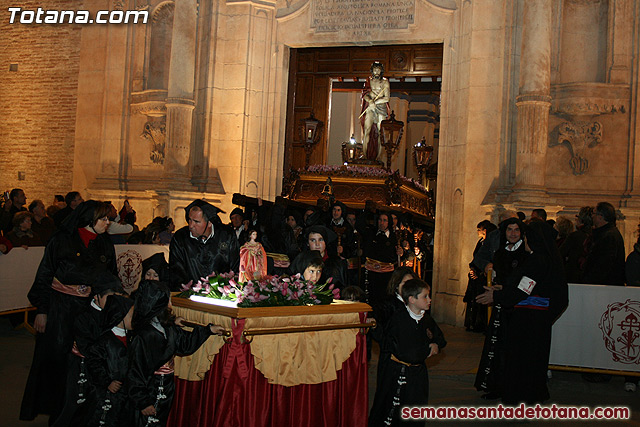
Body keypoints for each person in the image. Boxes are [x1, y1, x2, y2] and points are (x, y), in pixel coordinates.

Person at [20, 200, 117, 424]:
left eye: (108, 218)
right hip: (59, 310)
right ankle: (57, 410)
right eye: (103, 218)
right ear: (89, 219)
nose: (108, 223)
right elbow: (45, 275)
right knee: (57, 362)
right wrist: (41, 310)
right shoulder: (61, 239)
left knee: (86, 362)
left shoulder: (104, 243)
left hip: (89, 310)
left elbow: (110, 276)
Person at [477, 221, 569, 405]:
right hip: (537, 318)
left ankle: (519, 397)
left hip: (528, 318)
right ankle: (532, 394)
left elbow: (524, 290)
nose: (524, 240)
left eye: (526, 236)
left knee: (522, 360)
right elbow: (532, 287)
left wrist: (497, 296)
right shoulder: (545, 258)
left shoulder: (537, 260)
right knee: (534, 359)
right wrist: (504, 289)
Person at [128, 280, 225, 427]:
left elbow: (184, 345)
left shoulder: (167, 327)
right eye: (168, 302)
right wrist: (142, 402)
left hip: (166, 387)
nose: (171, 306)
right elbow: (135, 371)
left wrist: (208, 330)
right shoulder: (143, 335)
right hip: (149, 389)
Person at [369, 278, 446, 426]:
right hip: (398, 372)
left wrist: (436, 344)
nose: (429, 299)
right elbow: (406, 352)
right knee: (393, 411)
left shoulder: (427, 320)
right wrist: (427, 349)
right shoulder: (398, 320)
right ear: (412, 299)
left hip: (418, 375)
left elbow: (440, 339)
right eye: (425, 296)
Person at [474, 217, 527, 400]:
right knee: (497, 347)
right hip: (500, 305)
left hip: (518, 307)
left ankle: (511, 388)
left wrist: (503, 290)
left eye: (516, 230)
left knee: (513, 349)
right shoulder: (500, 253)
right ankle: (495, 385)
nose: (512, 233)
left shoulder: (525, 254)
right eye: (509, 230)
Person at [168, 199, 240, 291]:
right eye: (189, 220)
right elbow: (176, 272)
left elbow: (235, 267)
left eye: (196, 221)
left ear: (210, 223)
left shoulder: (226, 236)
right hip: (190, 296)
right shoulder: (180, 239)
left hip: (221, 296)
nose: (191, 225)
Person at [85, 295, 134, 427]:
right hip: (107, 393)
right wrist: (106, 381)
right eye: (131, 316)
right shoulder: (105, 340)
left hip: (124, 392)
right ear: (119, 317)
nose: (134, 319)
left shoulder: (131, 338)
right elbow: (94, 363)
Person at [463, 219, 497, 333]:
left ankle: (482, 324)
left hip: (483, 277)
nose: (477, 232)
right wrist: (472, 269)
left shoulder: (490, 244)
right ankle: (473, 323)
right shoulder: (480, 242)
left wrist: (480, 272)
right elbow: (476, 258)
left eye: (479, 230)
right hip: (476, 276)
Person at [583, 202, 625, 286]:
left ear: (601, 216)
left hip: (603, 287)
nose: (592, 216)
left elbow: (603, 265)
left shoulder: (609, 236)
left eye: (593, 213)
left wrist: (589, 280)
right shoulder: (608, 233)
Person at [360, 61, 390, 161]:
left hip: (381, 108)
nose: (376, 71)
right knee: (367, 130)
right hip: (370, 108)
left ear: (381, 70)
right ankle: (364, 154)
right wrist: (370, 101)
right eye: (375, 69)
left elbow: (386, 98)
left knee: (381, 133)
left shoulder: (385, 82)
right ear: (372, 70)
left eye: (378, 69)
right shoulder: (368, 81)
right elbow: (365, 94)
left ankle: (379, 157)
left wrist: (375, 102)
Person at [559, 206, 593, 283]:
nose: (576, 219)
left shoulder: (575, 236)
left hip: (573, 275)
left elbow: (560, 253)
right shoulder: (596, 236)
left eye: (577, 217)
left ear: (582, 220)